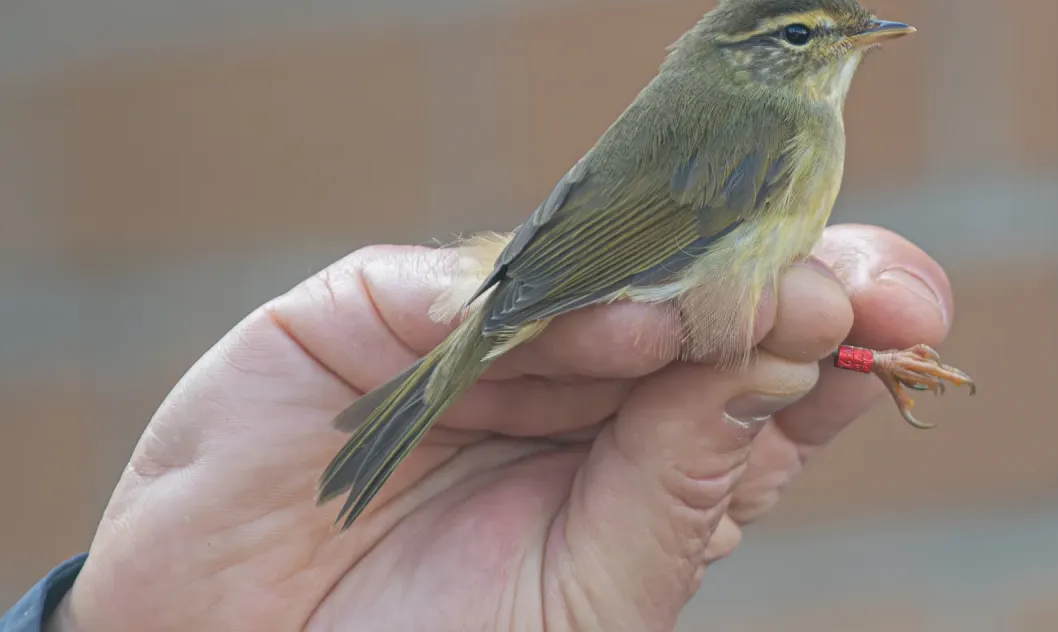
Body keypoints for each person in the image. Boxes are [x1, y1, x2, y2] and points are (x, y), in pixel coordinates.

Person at [2, 223, 954, 631]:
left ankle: (863, 353)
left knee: (775, 328)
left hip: (583, 308)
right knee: (756, 329)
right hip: (609, 301)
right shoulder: (778, 131)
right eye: (801, 40)